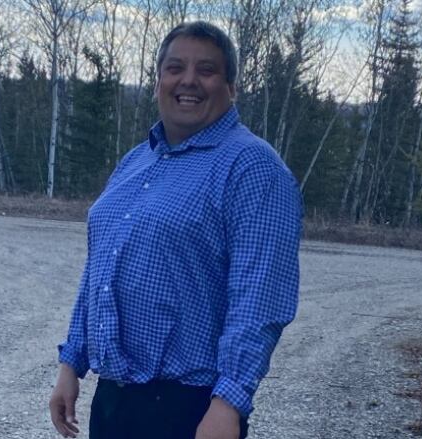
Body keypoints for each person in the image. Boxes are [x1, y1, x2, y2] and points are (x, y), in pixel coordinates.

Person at [49, 21, 302, 439]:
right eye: (174, 68)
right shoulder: (136, 162)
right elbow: (99, 269)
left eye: (206, 70)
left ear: (231, 87)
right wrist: (71, 363)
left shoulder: (253, 168)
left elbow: (260, 297)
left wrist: (229, 403)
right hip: (113, 401)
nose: (188, 80)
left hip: (190, 408)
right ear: (157, 83)